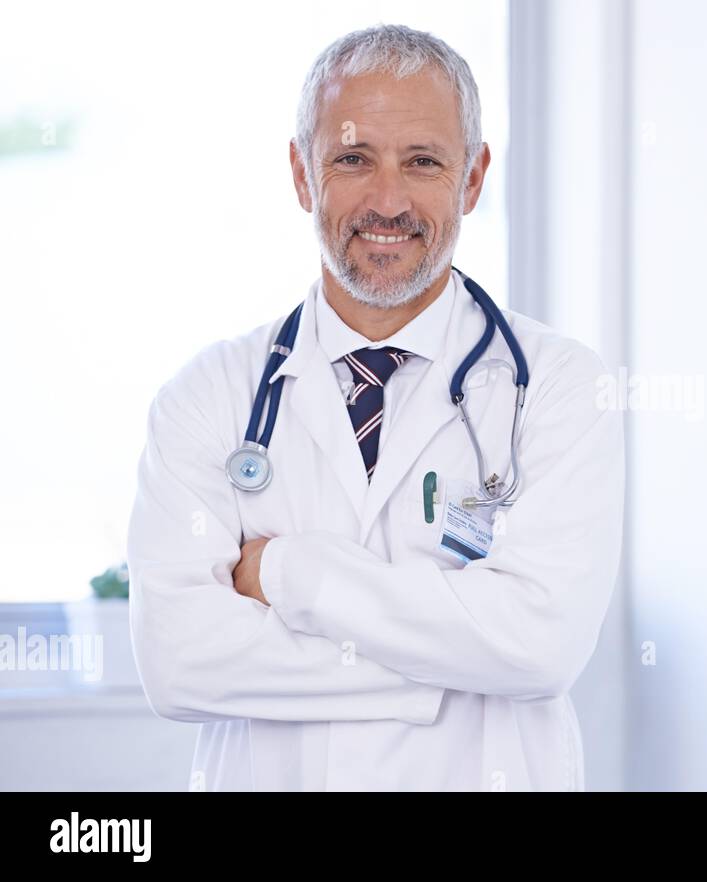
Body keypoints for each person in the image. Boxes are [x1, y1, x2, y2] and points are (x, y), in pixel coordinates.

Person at [126, 24, 625, 791]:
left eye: (423, 161)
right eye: (353, 159)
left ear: (473, 177)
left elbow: (541, 646)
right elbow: (178, 663)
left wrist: (291, 573)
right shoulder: (207, 398)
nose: (387, 201)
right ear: (301, 173)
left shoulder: (557, 389)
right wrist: (451, 666)